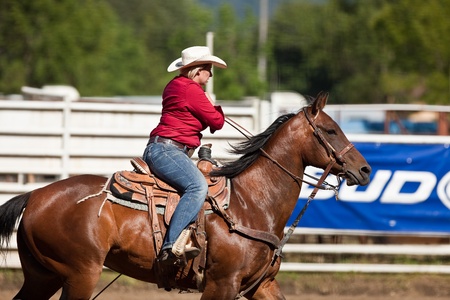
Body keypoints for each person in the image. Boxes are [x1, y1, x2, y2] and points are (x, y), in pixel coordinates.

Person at [143, 46, 227, 266]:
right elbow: (216, 123)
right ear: (197, 71)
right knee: (198, 186)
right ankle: (170, 247)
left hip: (163, 148)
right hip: (168, 150)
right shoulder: (190, 89)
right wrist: (213, 105)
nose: (211, 73)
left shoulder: (175, 85)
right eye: (208, 68)